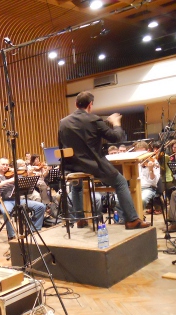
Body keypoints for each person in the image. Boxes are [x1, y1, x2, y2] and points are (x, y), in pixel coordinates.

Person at [58, 91, 149, 229]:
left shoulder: (63, 123)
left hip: (72, 167)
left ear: (76, 104)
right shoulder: (94, 119)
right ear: (90, 105)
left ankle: (80, 219)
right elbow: (116, 138)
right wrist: (116, 123)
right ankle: (132, 219)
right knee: (121, 182)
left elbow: (61, 145)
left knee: (76, 186)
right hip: (93, 166)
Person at [0, 158, 46, 240]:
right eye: (3, 164)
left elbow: (25, 177)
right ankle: (11, 235)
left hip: (18, 199)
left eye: (7, 165)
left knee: (41, 206)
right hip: (5, 201)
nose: (5, 166)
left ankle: (33, 229)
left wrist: (29, 173)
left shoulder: (13, 174)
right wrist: (9, 181)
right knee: (7, 212)